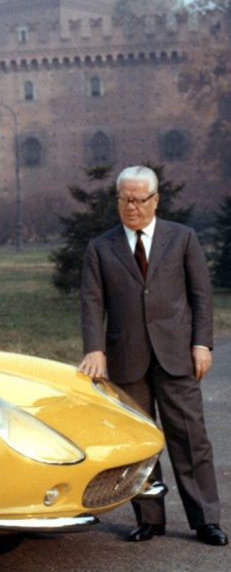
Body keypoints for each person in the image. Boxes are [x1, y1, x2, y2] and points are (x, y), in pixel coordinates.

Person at [78, 165, 226, 546]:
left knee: (190, 438)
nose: (132, 207)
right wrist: (95, 349)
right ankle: (150, 518)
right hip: (126, 358)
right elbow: (92, 303)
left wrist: (202, 344)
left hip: (177, 355)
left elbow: (200, 297)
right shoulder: (100, 247)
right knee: (138, 442)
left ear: (155, 199)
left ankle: (206, 519)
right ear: (117, 201)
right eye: (125, 200)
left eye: (139, 200)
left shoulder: (183, 239)